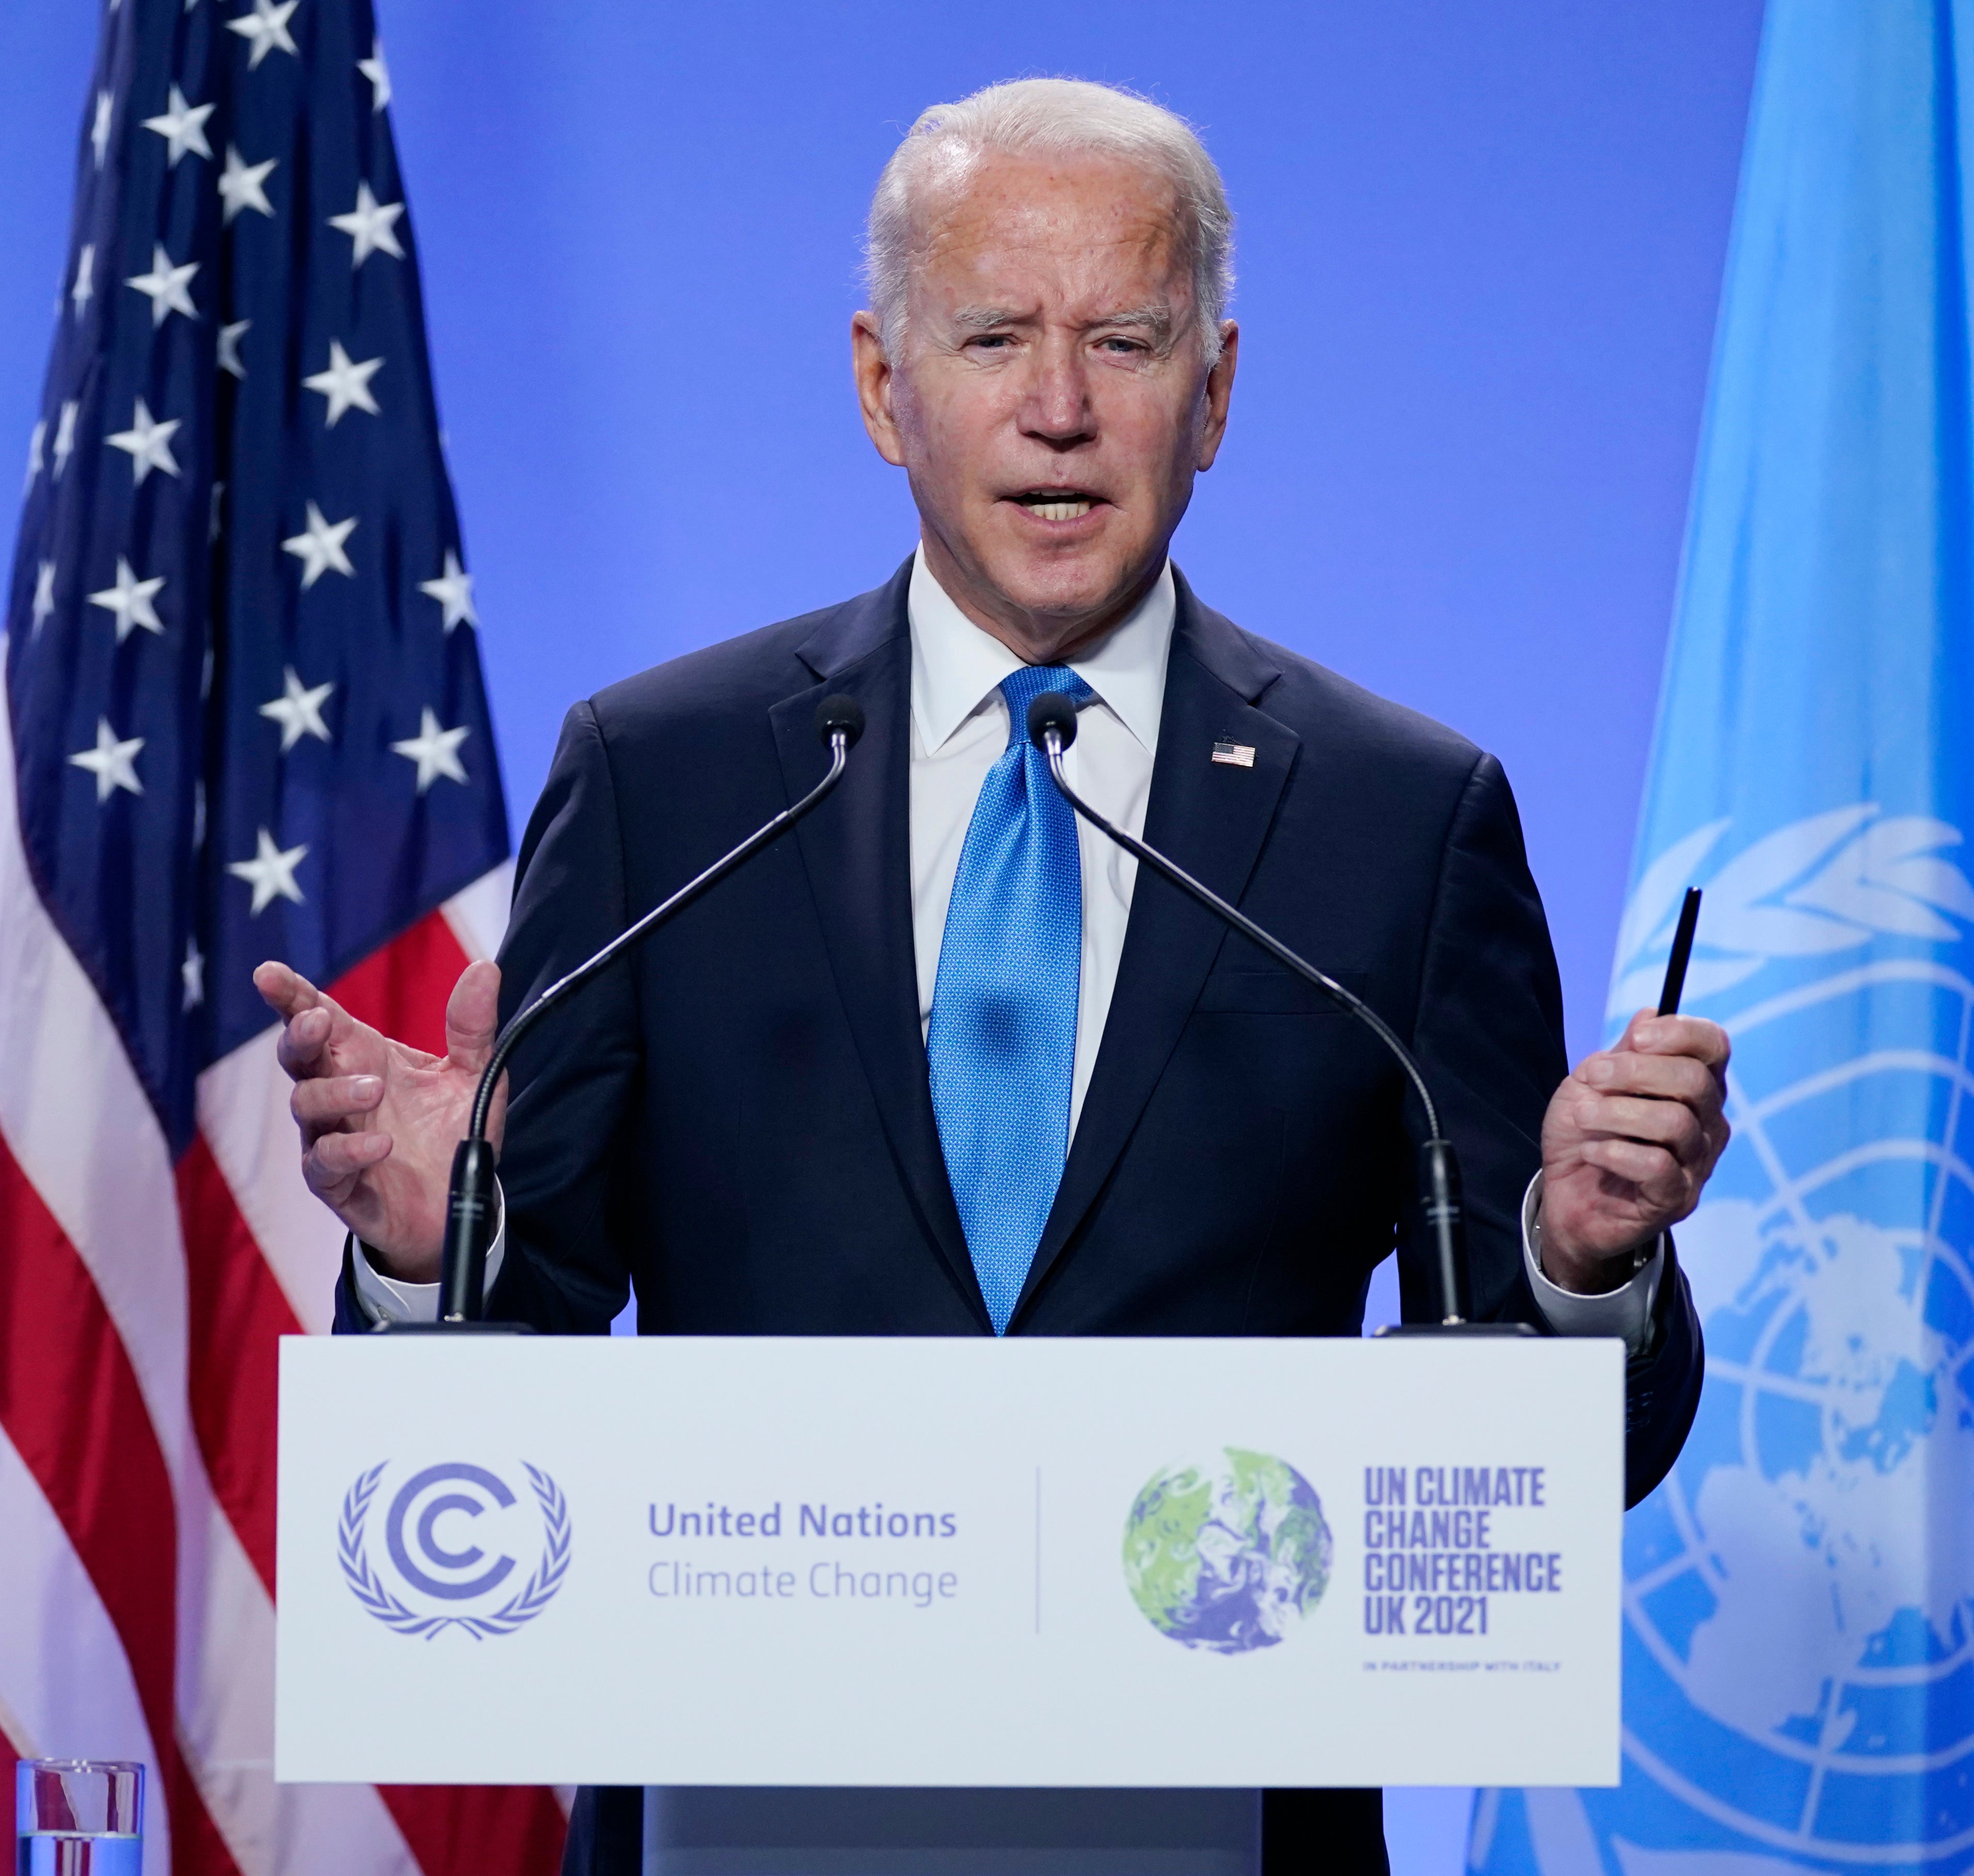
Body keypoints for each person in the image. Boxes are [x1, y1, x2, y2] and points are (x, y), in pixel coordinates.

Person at [255, 76, 1730, 1876]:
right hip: (748, 1811)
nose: (1058, 407)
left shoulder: (1400, 819)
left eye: (1124, 339)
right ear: (883, 384)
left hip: (1219, 1818)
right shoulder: (668, 780)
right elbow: (507, 1421)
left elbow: (1541, 1479)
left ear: (1215, 391)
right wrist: (438, 1256)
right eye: (992, 338)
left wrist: (1579, 1272)